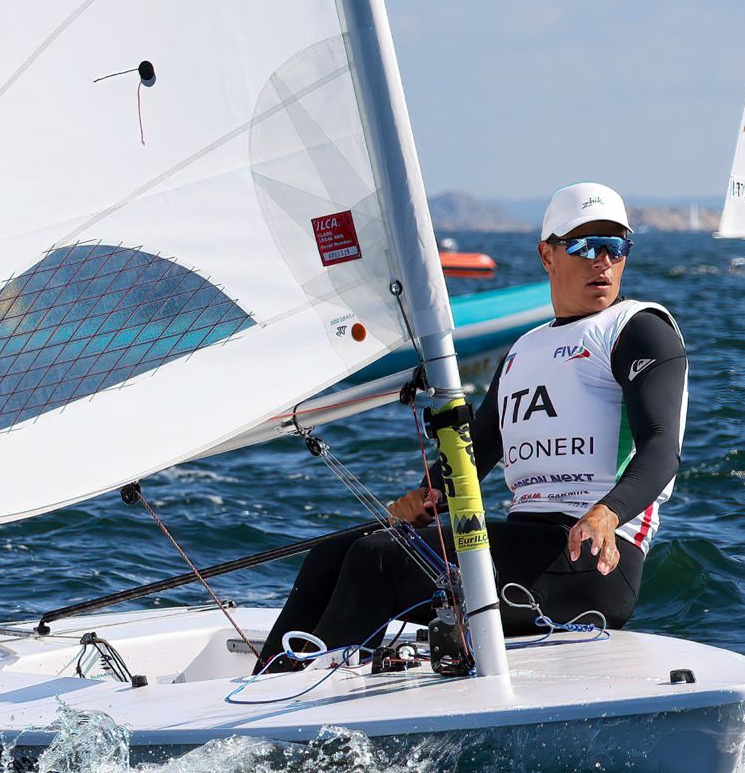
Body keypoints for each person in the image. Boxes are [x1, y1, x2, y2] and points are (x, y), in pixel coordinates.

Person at [255, 182, 687, 672]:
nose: (602, 261)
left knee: (378, 561)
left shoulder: (638, 328)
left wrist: (608, 512)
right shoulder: (525, 349)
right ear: (547, 255)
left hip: (592, 562)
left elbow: (661, 448)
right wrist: (425, 496)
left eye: (615, 247)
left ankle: (298, 703)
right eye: (584, 246)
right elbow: (473, 452)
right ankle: (260, 689)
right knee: (332, 555)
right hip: (525, 547)